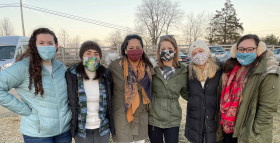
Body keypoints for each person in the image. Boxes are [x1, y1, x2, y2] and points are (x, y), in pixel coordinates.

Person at [0, 28, 72, 143]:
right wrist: (25, 110)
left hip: (63, 133)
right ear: (34, 45)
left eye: (50, 43)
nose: (46, 47)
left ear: (56, 46)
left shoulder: (60, 67)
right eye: (41, 43)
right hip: (38, 134)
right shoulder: (23, 67)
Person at [217, 34, 280, 143]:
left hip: (248, 133)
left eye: (250, 49)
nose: (245, 52)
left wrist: (254, 131)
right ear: (235, 51)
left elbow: (268, 108)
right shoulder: (230, 69)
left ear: (259, 50)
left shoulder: (268, 72)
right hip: (227, 127)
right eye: (241, 49)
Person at [66, 41, 115, 143]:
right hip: (81, 129)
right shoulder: (72, 75)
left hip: (102, 128)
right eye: (88, 53)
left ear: (100, 57)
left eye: (96, 54)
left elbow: (111, 100)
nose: (92, 56)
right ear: (81, 56)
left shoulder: (106, 75)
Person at [108, 34, 153, 143]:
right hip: (122, 120)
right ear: (125, 50)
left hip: (141, 119)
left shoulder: (148, 68)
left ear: (142, 50)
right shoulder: (115, 67)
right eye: (131, 48)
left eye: (138, 48)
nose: (135, 51)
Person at [148, 35, 188, 143]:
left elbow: (187, 93)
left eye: (170, 49)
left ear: (175, 50)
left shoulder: (183, 71)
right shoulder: (152, 70)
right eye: (163, 49)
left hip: (173, 119)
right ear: (158, 51)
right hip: (154, 118)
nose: (166, 52)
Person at [184, 40, 222, 143]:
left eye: (200, 51)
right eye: (194, 53)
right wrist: (195, 100)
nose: (198, 55)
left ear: (207, 52)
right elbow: (185, 91)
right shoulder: (189, 71)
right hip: (195, 118)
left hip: (214, 117)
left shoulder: (219, 69)